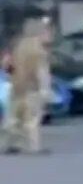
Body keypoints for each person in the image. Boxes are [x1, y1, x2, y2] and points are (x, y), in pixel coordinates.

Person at [3, 17, 52, 155]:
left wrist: (12, 76)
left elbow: (7, 65)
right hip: (32, 88)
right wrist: (45, 90)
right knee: (32, 119)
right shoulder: (39, 51)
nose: (48, 35)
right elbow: (42, 73)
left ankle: (9, 144)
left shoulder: (17, 46)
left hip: (16, 86)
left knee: (13, 118)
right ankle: (34, 146)